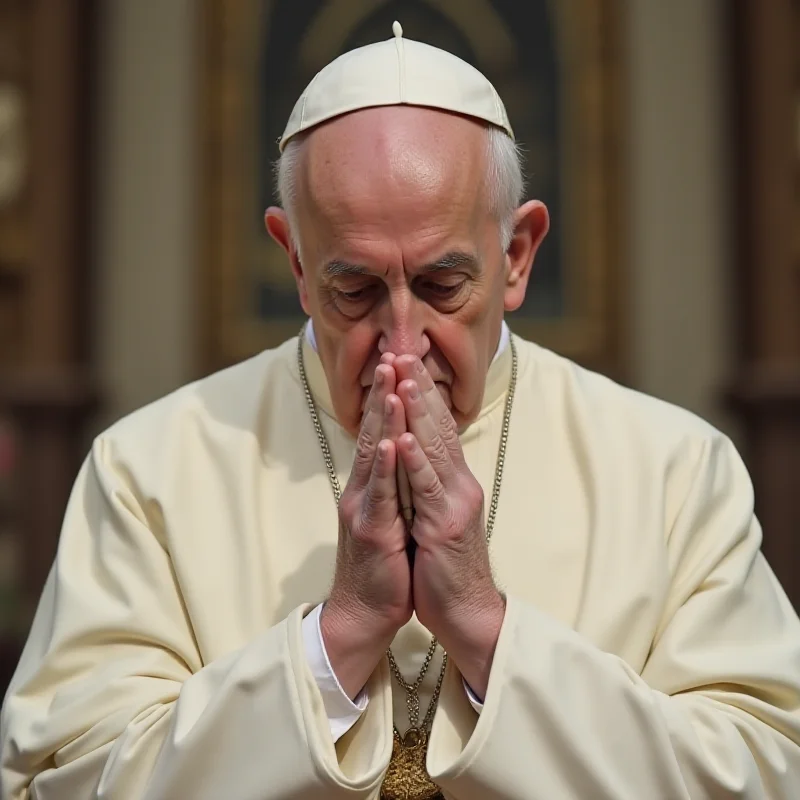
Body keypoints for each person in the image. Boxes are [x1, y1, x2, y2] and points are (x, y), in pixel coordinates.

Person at [2, 22, 800, 800]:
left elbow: (767, 766)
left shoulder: (672, 471)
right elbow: (64, 777)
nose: (403, 341)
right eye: (353, 291)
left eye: (443, 285)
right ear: (296, 262)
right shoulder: (149, 470)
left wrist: (488, 630)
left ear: (516, 255)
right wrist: (337, 635)